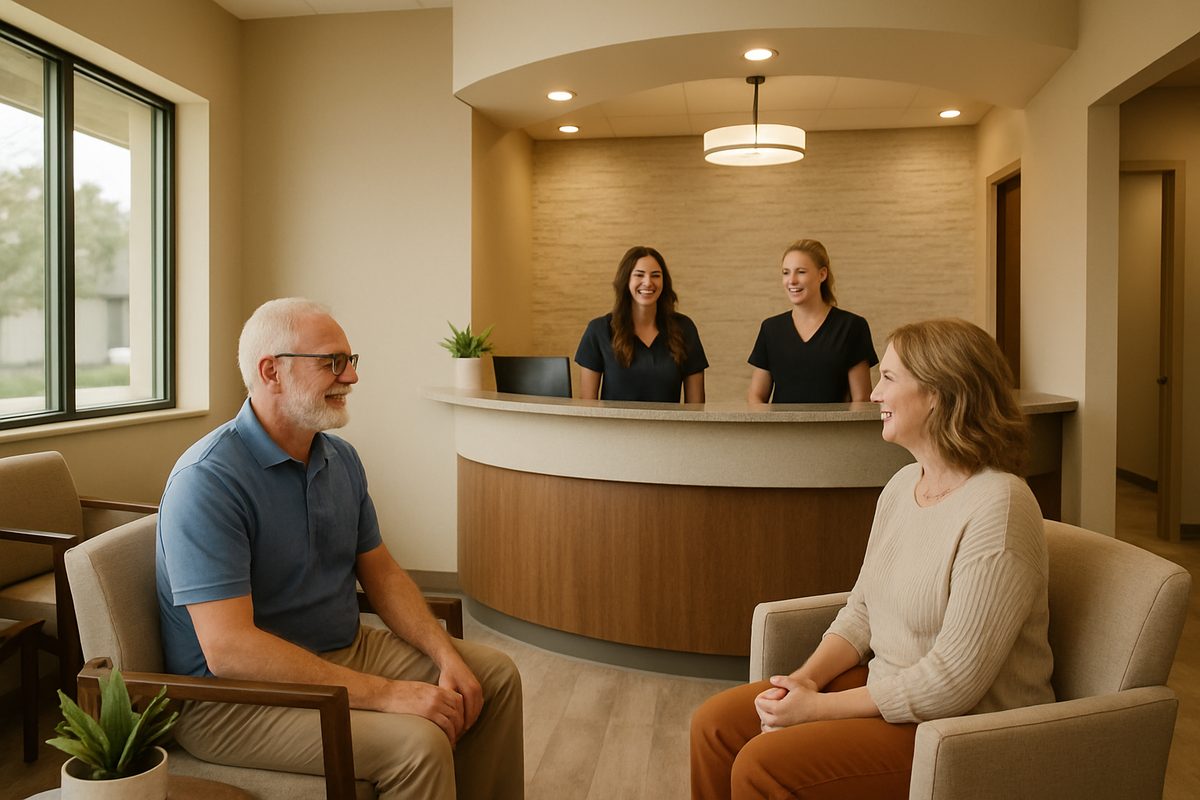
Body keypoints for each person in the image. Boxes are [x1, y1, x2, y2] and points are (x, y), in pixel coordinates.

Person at [156, 298, 523, 800]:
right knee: (418, 743)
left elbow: (383, 573)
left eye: (351, 360)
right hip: (235, 700)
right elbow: (230, 650)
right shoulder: (208, 481)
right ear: (272, 372)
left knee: (492, 676)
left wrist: (443, 653)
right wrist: (389, 695)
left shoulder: (340, 458)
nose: (350, 377)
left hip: (340, 652)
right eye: (332, 362)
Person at [692, 318, 1054, 799]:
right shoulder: (904, 485)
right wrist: (804, 680)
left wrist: (816, 710)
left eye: (889, 378)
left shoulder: (1000, 505)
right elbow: (862, 610)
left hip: (962, 731)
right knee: (714, 727)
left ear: (939, 393)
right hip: (890, 695)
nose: (875, 394)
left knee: (764, 765)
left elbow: (954, 683)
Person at [747, 239, 877, 403]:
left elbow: (861, 398)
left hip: (835, 429)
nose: (791, 280)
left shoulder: (852, 326)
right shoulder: (771, 329)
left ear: (822, 274)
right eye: (786, 272)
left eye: (801, 272)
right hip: (781, 429)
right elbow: (756, 396)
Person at [575, 246, 708, 402]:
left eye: (656, 276)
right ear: (626, 280)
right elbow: (587, 406)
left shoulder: (685, 328)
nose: (648, 282)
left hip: (669, 427)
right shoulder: (598, 330)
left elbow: (696, 407)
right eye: (639, 275)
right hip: (614, 427)